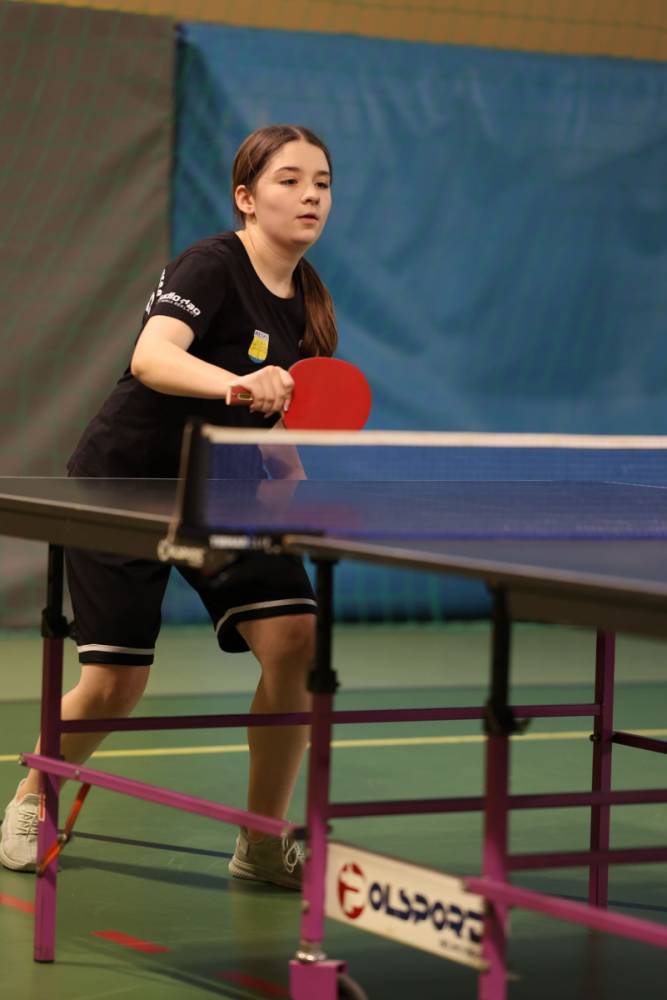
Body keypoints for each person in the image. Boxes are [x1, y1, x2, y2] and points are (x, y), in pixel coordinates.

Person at [0, 124, 336, 889]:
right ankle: (31, 796)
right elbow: (152, 357)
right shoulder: (211, 265)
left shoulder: (308, 303)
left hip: (223, 493)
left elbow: (280, 419)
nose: (310, 195)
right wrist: (236, 385)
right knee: (115, 684)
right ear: (245, 198)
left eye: (321, 182)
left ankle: (259, 840)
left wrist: (294, 481)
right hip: (124, 486)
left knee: (296, 641)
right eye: (289, 180)